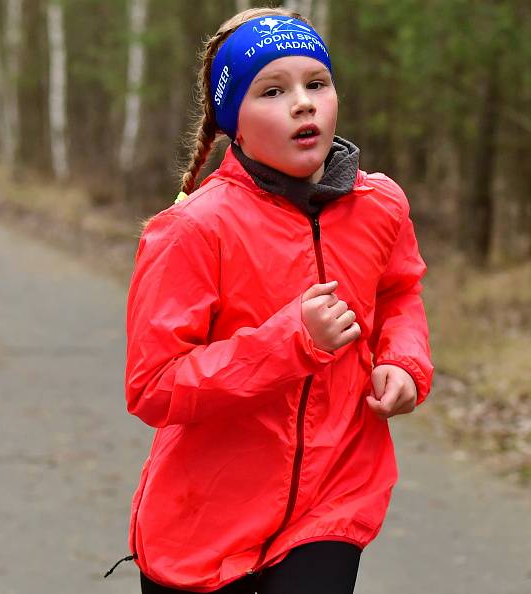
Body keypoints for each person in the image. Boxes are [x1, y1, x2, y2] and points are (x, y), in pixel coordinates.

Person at [119, 6, 433, 593]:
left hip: (333, 495)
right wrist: (292, 343)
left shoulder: (379, 204)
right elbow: (153, 385)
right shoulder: (191, 230)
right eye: (272, 90)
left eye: (317, 83)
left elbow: (399, 292)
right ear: (232, 119)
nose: (303, 103)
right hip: (206, 520)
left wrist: (402, 360)